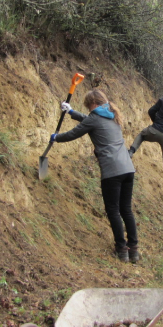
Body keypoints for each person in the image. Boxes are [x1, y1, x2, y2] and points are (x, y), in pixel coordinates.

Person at [51, 89, 139, 263]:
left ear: (93, 104)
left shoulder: (94, 117)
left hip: (112, 171)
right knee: (126, 210)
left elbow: (74, 133)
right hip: (128, 169)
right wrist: (71, 112)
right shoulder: (112, 115)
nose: (88, 109)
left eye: (88, 106)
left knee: (113, 210)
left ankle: (122, 250)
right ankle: (134, 250)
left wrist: (56, 137)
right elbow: (91, 122)